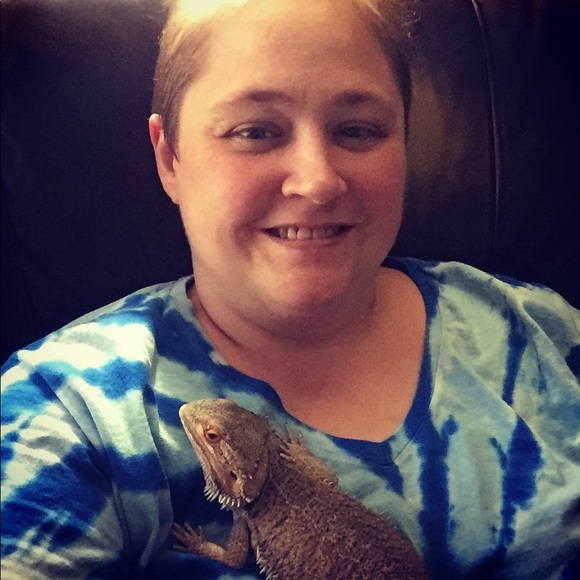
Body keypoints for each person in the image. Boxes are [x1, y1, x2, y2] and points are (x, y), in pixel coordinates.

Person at [1, 0, 579, 578]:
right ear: (169, 157)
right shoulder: (66, 411)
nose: (317, 181)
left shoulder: (538, 330)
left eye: (357, 130)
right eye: (254, 131)